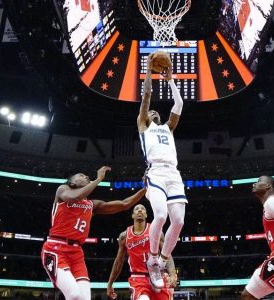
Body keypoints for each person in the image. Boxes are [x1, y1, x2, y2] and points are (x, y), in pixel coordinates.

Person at [41, 166, 146, 300]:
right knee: (73, 295)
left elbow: (125, 204)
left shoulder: (92, 205)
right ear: (72, 182)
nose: (85, 177)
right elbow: (75, 196)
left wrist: (146, 188)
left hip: (76, 253)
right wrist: (98, 179)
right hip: (56, 248)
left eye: (87, 176)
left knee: (85, 298)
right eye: (81, 175)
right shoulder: (63, 190)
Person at [137, 53, 186, 289]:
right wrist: (148, 70)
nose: (154, 111)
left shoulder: (168, 128)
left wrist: (170, 80)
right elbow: (146, 96)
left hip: (174, 174)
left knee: (178, 221)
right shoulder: (144, 125)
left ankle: (164, 259)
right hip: (155, 172)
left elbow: (179, 105)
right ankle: (153, 259)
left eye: (157, 112)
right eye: (150, 112)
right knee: (160, 216)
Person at [106, 204, 177, 300]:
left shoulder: (157, 232)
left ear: (146, 215)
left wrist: (172, 274)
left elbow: (167, 254)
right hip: (138, 278)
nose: (140, 210)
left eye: (142, 209)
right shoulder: (124, 236)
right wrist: (110, 283)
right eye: (136, 209)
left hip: (157, 276)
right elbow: (119, 261)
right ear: (133, 215)